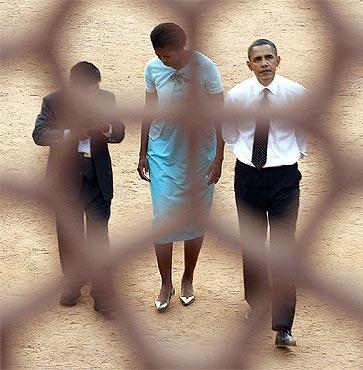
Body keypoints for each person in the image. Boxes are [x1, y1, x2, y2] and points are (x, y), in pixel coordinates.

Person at [223, 39, 307, 346]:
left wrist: (289, 156)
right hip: (248, 177)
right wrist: (249, 158)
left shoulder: (296, 94)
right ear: (249, 64)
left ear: (278, 59)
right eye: (257, 59)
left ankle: (283, 326)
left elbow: (304, 130)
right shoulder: (237, 96)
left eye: (269, 57)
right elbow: (229, 133)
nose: (264, 63)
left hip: (284, 179)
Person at [137, 23, 224, 310]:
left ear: (181, 48)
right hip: (163, 150)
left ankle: (187, 278)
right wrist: (142, 152)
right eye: (159, 56)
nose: (163, 60)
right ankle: (166, 283)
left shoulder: (205, 67)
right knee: (162, 218)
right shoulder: (153, 68)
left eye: (167, 56)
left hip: (200, 151)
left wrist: (219, 157)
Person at [33, 61, 125, 313]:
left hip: (97, 177)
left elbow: (118, 132)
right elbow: (39, 134)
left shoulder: (106, 99)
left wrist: (104, 128)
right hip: (65, 179)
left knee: (99, 235)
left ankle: (102, 291)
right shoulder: (54, 101)